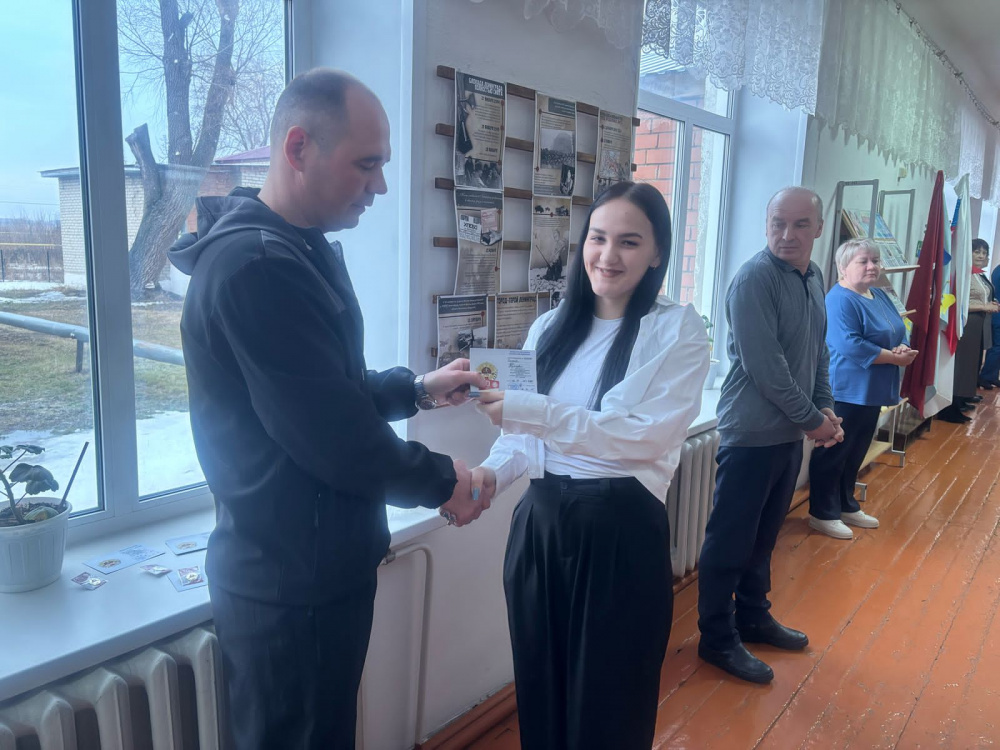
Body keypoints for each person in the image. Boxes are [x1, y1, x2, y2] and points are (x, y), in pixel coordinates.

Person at [167, 69, 489, 749]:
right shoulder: (258, 267)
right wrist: (444, 481)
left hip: (311, 568)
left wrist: (415, 389)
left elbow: (324, 391)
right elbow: (334, 437)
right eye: (366, 165)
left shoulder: (294, 248)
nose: (380, 186)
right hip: (291, 584)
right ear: (298, 148)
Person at [469, 181, 710, 749]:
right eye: (598, 238)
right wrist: (487, 477)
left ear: (657, 252)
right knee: (540, 688)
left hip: (619, 533)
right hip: (540, 527)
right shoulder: (549, 327)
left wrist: (532, 411)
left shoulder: (677, 329)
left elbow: (642, 439)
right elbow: (523, 438)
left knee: (608, 704)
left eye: (629, 242)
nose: (608, 255)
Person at [697, 186, 844, 684]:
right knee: (730, 541)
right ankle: (717, 638)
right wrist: (814, 422)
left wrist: (825, 406)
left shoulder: (814, 276)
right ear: (766, 224)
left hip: (788, 432)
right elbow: (767, 369)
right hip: (751, 433)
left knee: (764, 538)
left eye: (800, 224)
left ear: (819, 228)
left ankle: (754, 617)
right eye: (778, 223)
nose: (787, 234)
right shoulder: (753, 279)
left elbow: (818, 352)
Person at [807, 239, 915, 539]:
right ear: (843, 268)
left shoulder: (879, 294)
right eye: (863, 261)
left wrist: (902, 346)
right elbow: (849, 344)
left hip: (874, 388)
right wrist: (894, 357)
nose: (872, 266)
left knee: (855, 451)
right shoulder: (838, 299)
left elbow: (898, 328)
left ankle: (846, 504)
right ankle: (822, 512)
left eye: (875, 261)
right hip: (846, 388)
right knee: (834, 452)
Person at [939, 238, 999, 422]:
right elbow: (958, 303)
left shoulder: (978, 274)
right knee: (962, 365)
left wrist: (990, 303)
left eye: (984, 253)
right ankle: (950, 408)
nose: (981, 256)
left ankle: (960, 400)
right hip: (967, 324)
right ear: (968, 253)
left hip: (978, 325)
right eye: (977, 252)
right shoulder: (963, 274)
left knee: (970, 365)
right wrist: (984, 306)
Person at [978, 240, 1000, 388]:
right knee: (997, 346)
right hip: (997, 314)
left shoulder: (997, 269)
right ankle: (986, 376)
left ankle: (991, 375)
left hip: (995, 313)